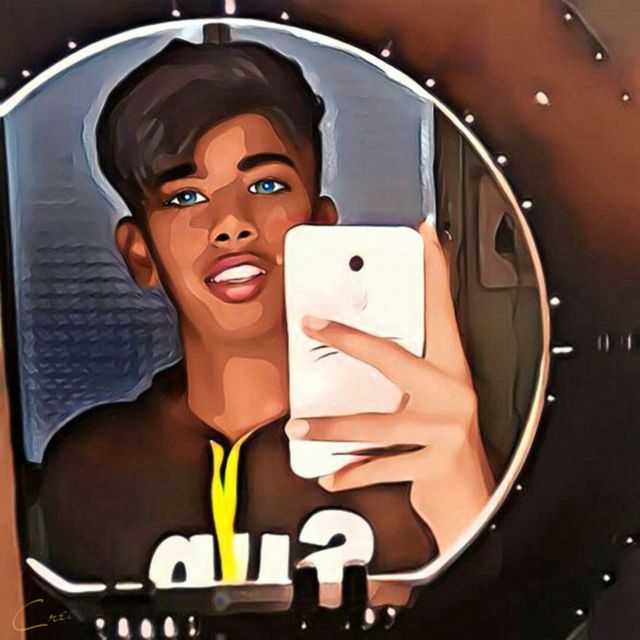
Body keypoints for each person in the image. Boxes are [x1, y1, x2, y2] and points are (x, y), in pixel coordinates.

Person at [32, 35, 494, 606]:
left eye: (267, 185)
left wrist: (469, 512)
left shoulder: (416, 448)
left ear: (320, 226)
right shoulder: (90, 466)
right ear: (140, 252)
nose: (231, 223)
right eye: (185, 197)